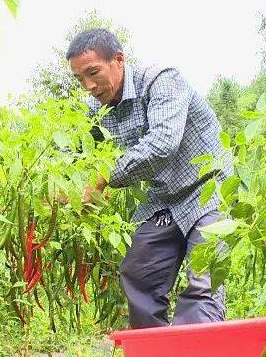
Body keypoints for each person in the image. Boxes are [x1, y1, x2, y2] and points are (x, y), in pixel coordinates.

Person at [66, 28, 232, 329]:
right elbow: (72, 151)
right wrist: (63, 186)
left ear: (118, 60)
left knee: (204, 281)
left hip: (209, 189)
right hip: (164, 200)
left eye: (93, 73)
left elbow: (162, 144)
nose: (89, 86)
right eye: (80, 79)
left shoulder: (162, 81)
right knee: (139, 273)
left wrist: (103, 178)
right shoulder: (95, 110)